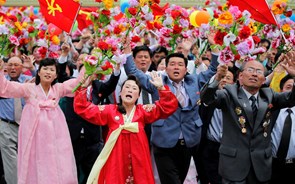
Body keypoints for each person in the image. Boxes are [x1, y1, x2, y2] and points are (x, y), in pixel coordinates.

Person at [123, 34, 219, 184]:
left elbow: (213, 69)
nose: (176, 67)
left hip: (189, 141)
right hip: (164, 140)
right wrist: (127, 50)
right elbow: (134, 72)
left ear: (186, 69)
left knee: (179, 179)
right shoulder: (157, 82)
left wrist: (214, 46)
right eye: (172, 64)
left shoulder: (195, 80)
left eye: (180, 65)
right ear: (166, 68)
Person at [200, 50, 295, 184]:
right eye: (250, 70)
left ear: (263, 80)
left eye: (259, 72)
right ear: (240, 76)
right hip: (234, 166)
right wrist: (216, 78)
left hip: (260, 167)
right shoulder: (229, 93)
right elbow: (206, 99)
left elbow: (291, 99)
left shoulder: (269, 95)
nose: (255, 74)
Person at [73, 74, 178, 184]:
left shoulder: (143, 111)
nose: (130, 90)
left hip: (139, 160)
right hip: (116, 158)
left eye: (134, 88)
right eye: (127, 87)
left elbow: (167, 107)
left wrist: (161, 88)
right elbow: (83, 108)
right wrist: (83, 88)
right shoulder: (110, 111)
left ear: (138, 95)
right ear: (120, 92)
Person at [0, 57, 85, 184]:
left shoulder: (58, 89)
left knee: (58, 161)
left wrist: (90, 65)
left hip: (55, 136)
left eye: (52, 70)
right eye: (45, 69)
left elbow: (79, 83)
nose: (48, 72)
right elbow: (6, 88)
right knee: (34, 162)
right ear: (38, 72)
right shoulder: (28, 89)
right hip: (34, 137)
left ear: (56, 74)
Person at [0, 56, 35, 184]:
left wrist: (32, 68)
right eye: (10, 65)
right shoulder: (2, 83)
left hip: (27, 126)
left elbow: (44, 84)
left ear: (22, 67)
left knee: (28, 160)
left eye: (16, 65)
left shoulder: (28, 80)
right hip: (6, 125)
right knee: (11, 162)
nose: (13, 68)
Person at [270, 74, 295, 184]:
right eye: (288, 88)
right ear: (281, 91)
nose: (291, 93)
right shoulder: (270, 111)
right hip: (270, 166)